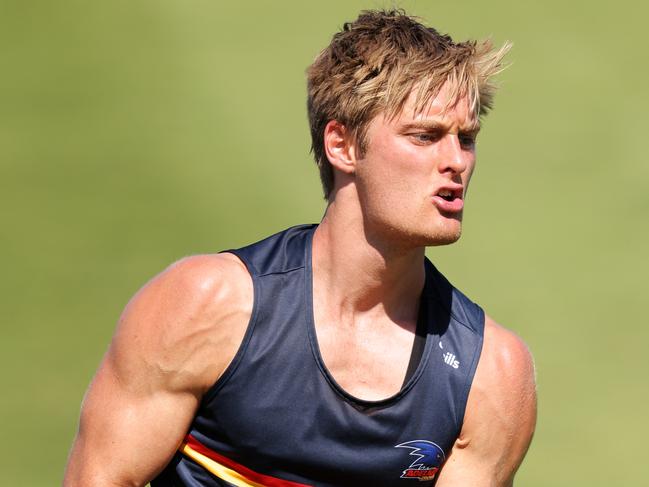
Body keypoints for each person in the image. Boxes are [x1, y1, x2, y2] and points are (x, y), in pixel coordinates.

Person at [64, 9, 536, 487]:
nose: (456, 161)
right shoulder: (205, 307)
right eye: (425, 136)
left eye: (467, 139)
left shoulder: (490, 376)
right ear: (342, 145)